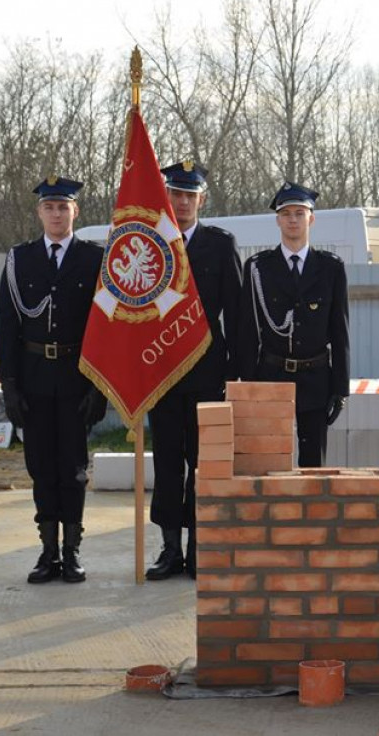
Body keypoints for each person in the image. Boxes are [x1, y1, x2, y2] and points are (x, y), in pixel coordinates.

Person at [0, 175, 108, 584]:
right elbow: (7, 326)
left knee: (74, 470)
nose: (57, 214)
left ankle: (72, 552)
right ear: (39, 212)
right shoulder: (20, 259)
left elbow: (106, 326)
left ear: (75, 211)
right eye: (49, 207)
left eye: (63, 207)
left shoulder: (94, 259)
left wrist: (100, 387)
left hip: (77, 378)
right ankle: (47, 553)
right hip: (34, 379)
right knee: (41, 469)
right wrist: (9, 386)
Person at [146, 161, 242, 581]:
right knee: (168, 463)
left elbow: (236, 314)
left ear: (202, 200)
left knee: (201, 464)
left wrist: (236, 374)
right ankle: (169, 549)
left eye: (190, 195)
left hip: (207, 372)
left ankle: (199, 547)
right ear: (165, 198)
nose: (182, 203)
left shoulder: (220, 245)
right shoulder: (151, 244)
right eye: (176, 194)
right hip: (162, 372)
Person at [238, 182, 349, 467]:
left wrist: (340, 388)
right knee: (270, 463)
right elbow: (248, 331)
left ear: (311, 219)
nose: (293, 220)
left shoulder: (330, 268)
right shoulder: (258, 267)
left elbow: (340, 330)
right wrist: (247, 382)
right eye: (286, 213)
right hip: (271, 375)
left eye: (300, 213)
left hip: (316, 378)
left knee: (313, 467)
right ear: (277, 220)